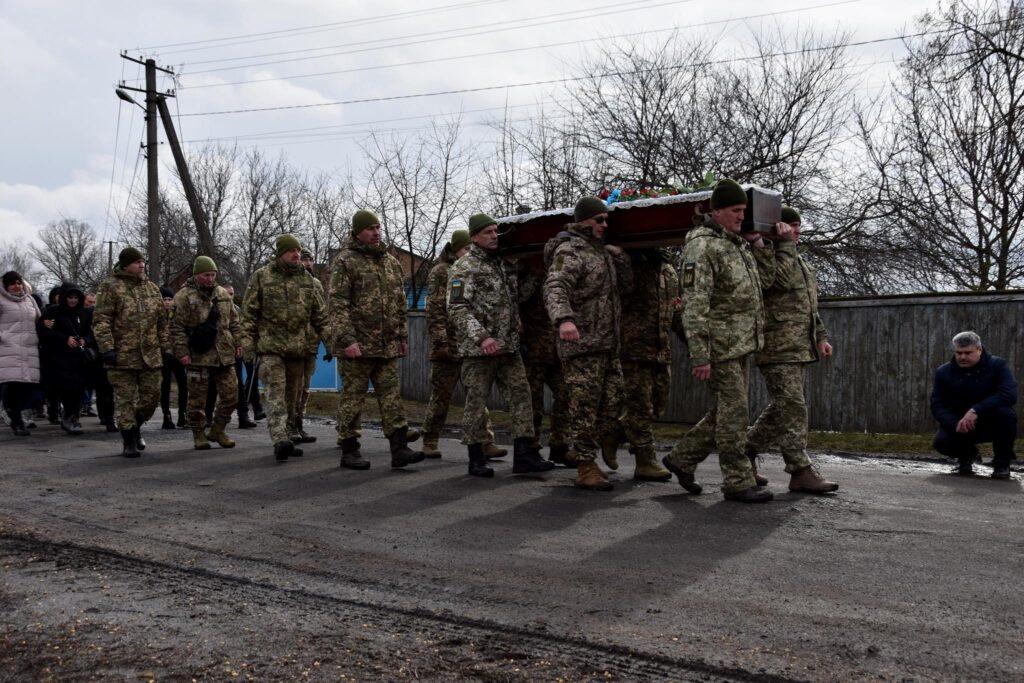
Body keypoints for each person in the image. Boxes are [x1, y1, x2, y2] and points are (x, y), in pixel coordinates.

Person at [661, 179, 783, 503]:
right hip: (720, 347)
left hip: (740, 343)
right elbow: (694, 304)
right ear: (715, 211)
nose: (741, 216)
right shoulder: (702, 247)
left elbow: (766, 282)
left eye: (744, 210)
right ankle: (737, 480)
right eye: (735, 210)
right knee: (735, 415)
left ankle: (682, 458)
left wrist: (759, 245)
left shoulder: (736, 244)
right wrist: (700, 355)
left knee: (724, 413)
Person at [447, 214, 552, 477]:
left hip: (509, 347)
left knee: (522, 398)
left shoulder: (503, 265)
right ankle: (476, 456)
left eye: (496, 231)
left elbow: (519, 298)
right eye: (487, 232)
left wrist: (537, 271)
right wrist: (482, 337)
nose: (494, 236)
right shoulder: (463, 267)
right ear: (473, 237)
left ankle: (525, 455)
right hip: (479, 350)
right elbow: (457, 308)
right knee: (476, 403)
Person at [745, 206, 838, 494]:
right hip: (776, 346)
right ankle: (799, 470)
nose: (796, 231)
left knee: (783, 408)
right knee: (793, 407)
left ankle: (745, 450)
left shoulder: (798, 259)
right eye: (790, 225)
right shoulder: (767, 254)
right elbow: (776, 283)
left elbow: (808, 306)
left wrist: (820, 336)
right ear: (776, 227)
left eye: (798, 226)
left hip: (797, 346)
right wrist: (780, 243)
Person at [543, 196, 633, 491]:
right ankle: (584, 465)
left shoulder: (601, 252)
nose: (604, 225)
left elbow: (626, 289)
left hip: (607, 344)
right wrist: (563, 319)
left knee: (613, 403)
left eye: (607, 220)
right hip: (581, 345)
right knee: (584, 407)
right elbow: (555, 285)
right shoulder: (571, 250)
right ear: (583, 221)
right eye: (599, 220)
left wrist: (619, 257)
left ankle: (583, 452)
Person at [328, 210, 423, 470]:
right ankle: (349, 450)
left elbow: (399, 303)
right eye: (370, 228)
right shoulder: (345, 261)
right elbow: (337, 305)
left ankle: (399, 449)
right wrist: (348, 340)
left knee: (391, 397)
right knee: (353, 399)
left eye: (378, 227)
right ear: (358, 232)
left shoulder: (390, 263)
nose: (376, 232)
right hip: (357, 345)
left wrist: (402, 336)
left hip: (386, 345)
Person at [240, 234, 328, 461]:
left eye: (298, 250)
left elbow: (321, 318)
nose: (296, 254)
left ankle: (287, 434)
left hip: (298, 350)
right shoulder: (262, 277)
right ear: (281, 253)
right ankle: (280, 439)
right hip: (271, 349)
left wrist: (333, 343)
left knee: (292, 397)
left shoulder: (308, 282)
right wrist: (248, 345)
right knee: (275, 395)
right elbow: (249, 315)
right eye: (291, 251)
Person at [421, 229, 505, 460]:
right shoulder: (441, 271)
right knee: (441, 396)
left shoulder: (476, 268)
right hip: (447, 346)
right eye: (465, 249)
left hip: (469, 344)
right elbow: (435, 309)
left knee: (476, 396)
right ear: (455, 250)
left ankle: (485, 441)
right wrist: (441, 342)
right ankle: (429, 439)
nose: (469, 252)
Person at [609, 248, 679, 482]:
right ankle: (645, 460)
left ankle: (615, 431)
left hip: (660, 349)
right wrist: (626, 254)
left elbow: (674, 309)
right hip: (634, 348)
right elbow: (624, 290)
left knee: (658, 404)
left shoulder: (668, 269)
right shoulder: (628, 263)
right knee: (640, 407)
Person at [93, 247, 168, 458]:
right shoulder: (110, 286)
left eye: (143, 261)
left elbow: (162, 322)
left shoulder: (152, 288)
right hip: (122, 356)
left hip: (151, 356)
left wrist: (166, 347)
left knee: (152, 397)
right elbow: (101, 320)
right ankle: (128, 440)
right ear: (125, 264)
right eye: (136, 262)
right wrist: (107, 347)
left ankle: (135, 425)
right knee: (124, 399)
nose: (141, 265)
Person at [171, 256, 242, 450]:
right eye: (206, 275)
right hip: (198, 355)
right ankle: (198, 433)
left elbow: (234, 322)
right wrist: (182, 352)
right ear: (196, 275)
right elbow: (176, 328)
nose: (210, 278)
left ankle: (218, 429)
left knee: (231, 395)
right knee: (196, 399)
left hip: (223, 354)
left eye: (213, 274)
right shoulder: (184, 296)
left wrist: (238, 342)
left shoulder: (222, 294)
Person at [931, 331, 1017, 479]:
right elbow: (937, 404)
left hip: (991, 421)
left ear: (979, 349)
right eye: (959, 352)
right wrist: (954, 423)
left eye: (967, 352)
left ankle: (1002, 463)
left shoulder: (997, 366)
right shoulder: (944, 372)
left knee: (1007, 416)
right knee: (941, 443)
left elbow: (1008, 395)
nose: (962, 357)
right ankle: (967, 456)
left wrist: (976, 410)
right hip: (959, 422)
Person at [518, 255, 570, 466]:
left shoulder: (561, 269)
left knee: (566, 395)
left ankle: (559, 445)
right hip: (533, 348)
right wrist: (536, 273)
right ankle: (531, 449)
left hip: (556, 349)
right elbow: (518, 297)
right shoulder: (526, 270)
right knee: (533, 403)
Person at [36, 283, 92, 435]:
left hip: (79, 358)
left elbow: (90, 333)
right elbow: (43, 332)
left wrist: (84, 341)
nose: (72, 301)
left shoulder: (84, 313)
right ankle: (68, 416)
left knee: (79, 388)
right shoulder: (53, 311)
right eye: (69, 297)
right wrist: (64, 338)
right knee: (67, 388)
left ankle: (73, 416)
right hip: (59, 358)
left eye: (75, 297)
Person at [0, 271, 41, 436]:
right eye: (12, 283)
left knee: (27, 386)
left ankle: (15, 413)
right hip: (8, 347)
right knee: (13, 384)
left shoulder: (29, 299)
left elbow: (38, 317)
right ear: (6, 286)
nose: (16, 286)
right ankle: (15, 418)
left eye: (19, 283)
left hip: (29, 347)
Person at [292, 248, 321, 444]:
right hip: (293, 344)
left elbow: (322, 314)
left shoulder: (316, 284)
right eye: (304, 259)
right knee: (293, 388)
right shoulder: (291, 282)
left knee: (305, 389)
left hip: (311, 343)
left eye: (310, 260)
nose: (308, 263)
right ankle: (290, 427)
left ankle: (299, 425)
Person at [159, 286, 189, 430]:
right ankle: (166, 415)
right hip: (163, 355)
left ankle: (183, 414)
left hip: (178, 354)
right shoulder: (157, 316)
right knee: (164, 386)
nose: (167, 302)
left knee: (183, 384)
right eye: (164, 299)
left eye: (170, 299)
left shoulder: (177, 314)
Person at [81, 290, 98, 416]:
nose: (91, 304)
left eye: (93, 302)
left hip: (91, 351)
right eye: (89, 301)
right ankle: (84, 404)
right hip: (81, 349)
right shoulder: (80, 313)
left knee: (90, 381)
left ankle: (87, 404)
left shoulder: (96, 315)